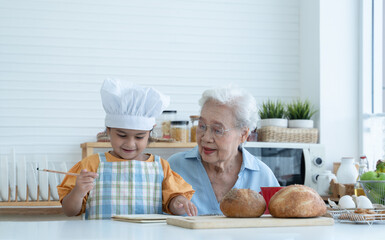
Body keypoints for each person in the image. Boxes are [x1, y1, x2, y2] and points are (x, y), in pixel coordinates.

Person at [57, 79, 197, 219]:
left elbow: (172, 204)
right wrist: (78, 191)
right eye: (122, 135)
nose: (130, 144)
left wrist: (178, 203)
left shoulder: (160, 166)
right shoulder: (91, 165)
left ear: (150, 133)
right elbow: (70, 211)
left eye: (139, 137)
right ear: (108, 130)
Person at [168, 86, 279, 215]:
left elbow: (276, 231)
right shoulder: (175, 167)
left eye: (218, 130)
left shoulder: (263, 176)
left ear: (243, 134)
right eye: (202, 126)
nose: (206, 138)